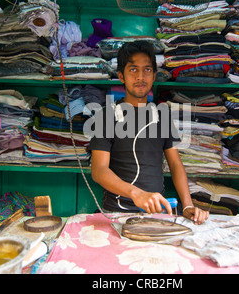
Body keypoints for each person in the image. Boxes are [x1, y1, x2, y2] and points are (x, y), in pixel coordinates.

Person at [89, 40, 208, 224]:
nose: (141, 77)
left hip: (157, 212)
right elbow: (99, 170)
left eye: (147, 70)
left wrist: (187, 205)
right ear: (121, 76)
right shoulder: (106, 116)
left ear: (153, 76)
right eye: (133, 69)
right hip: (117, 214)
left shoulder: (163, 116)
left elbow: (175, 164)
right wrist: (136, 193)